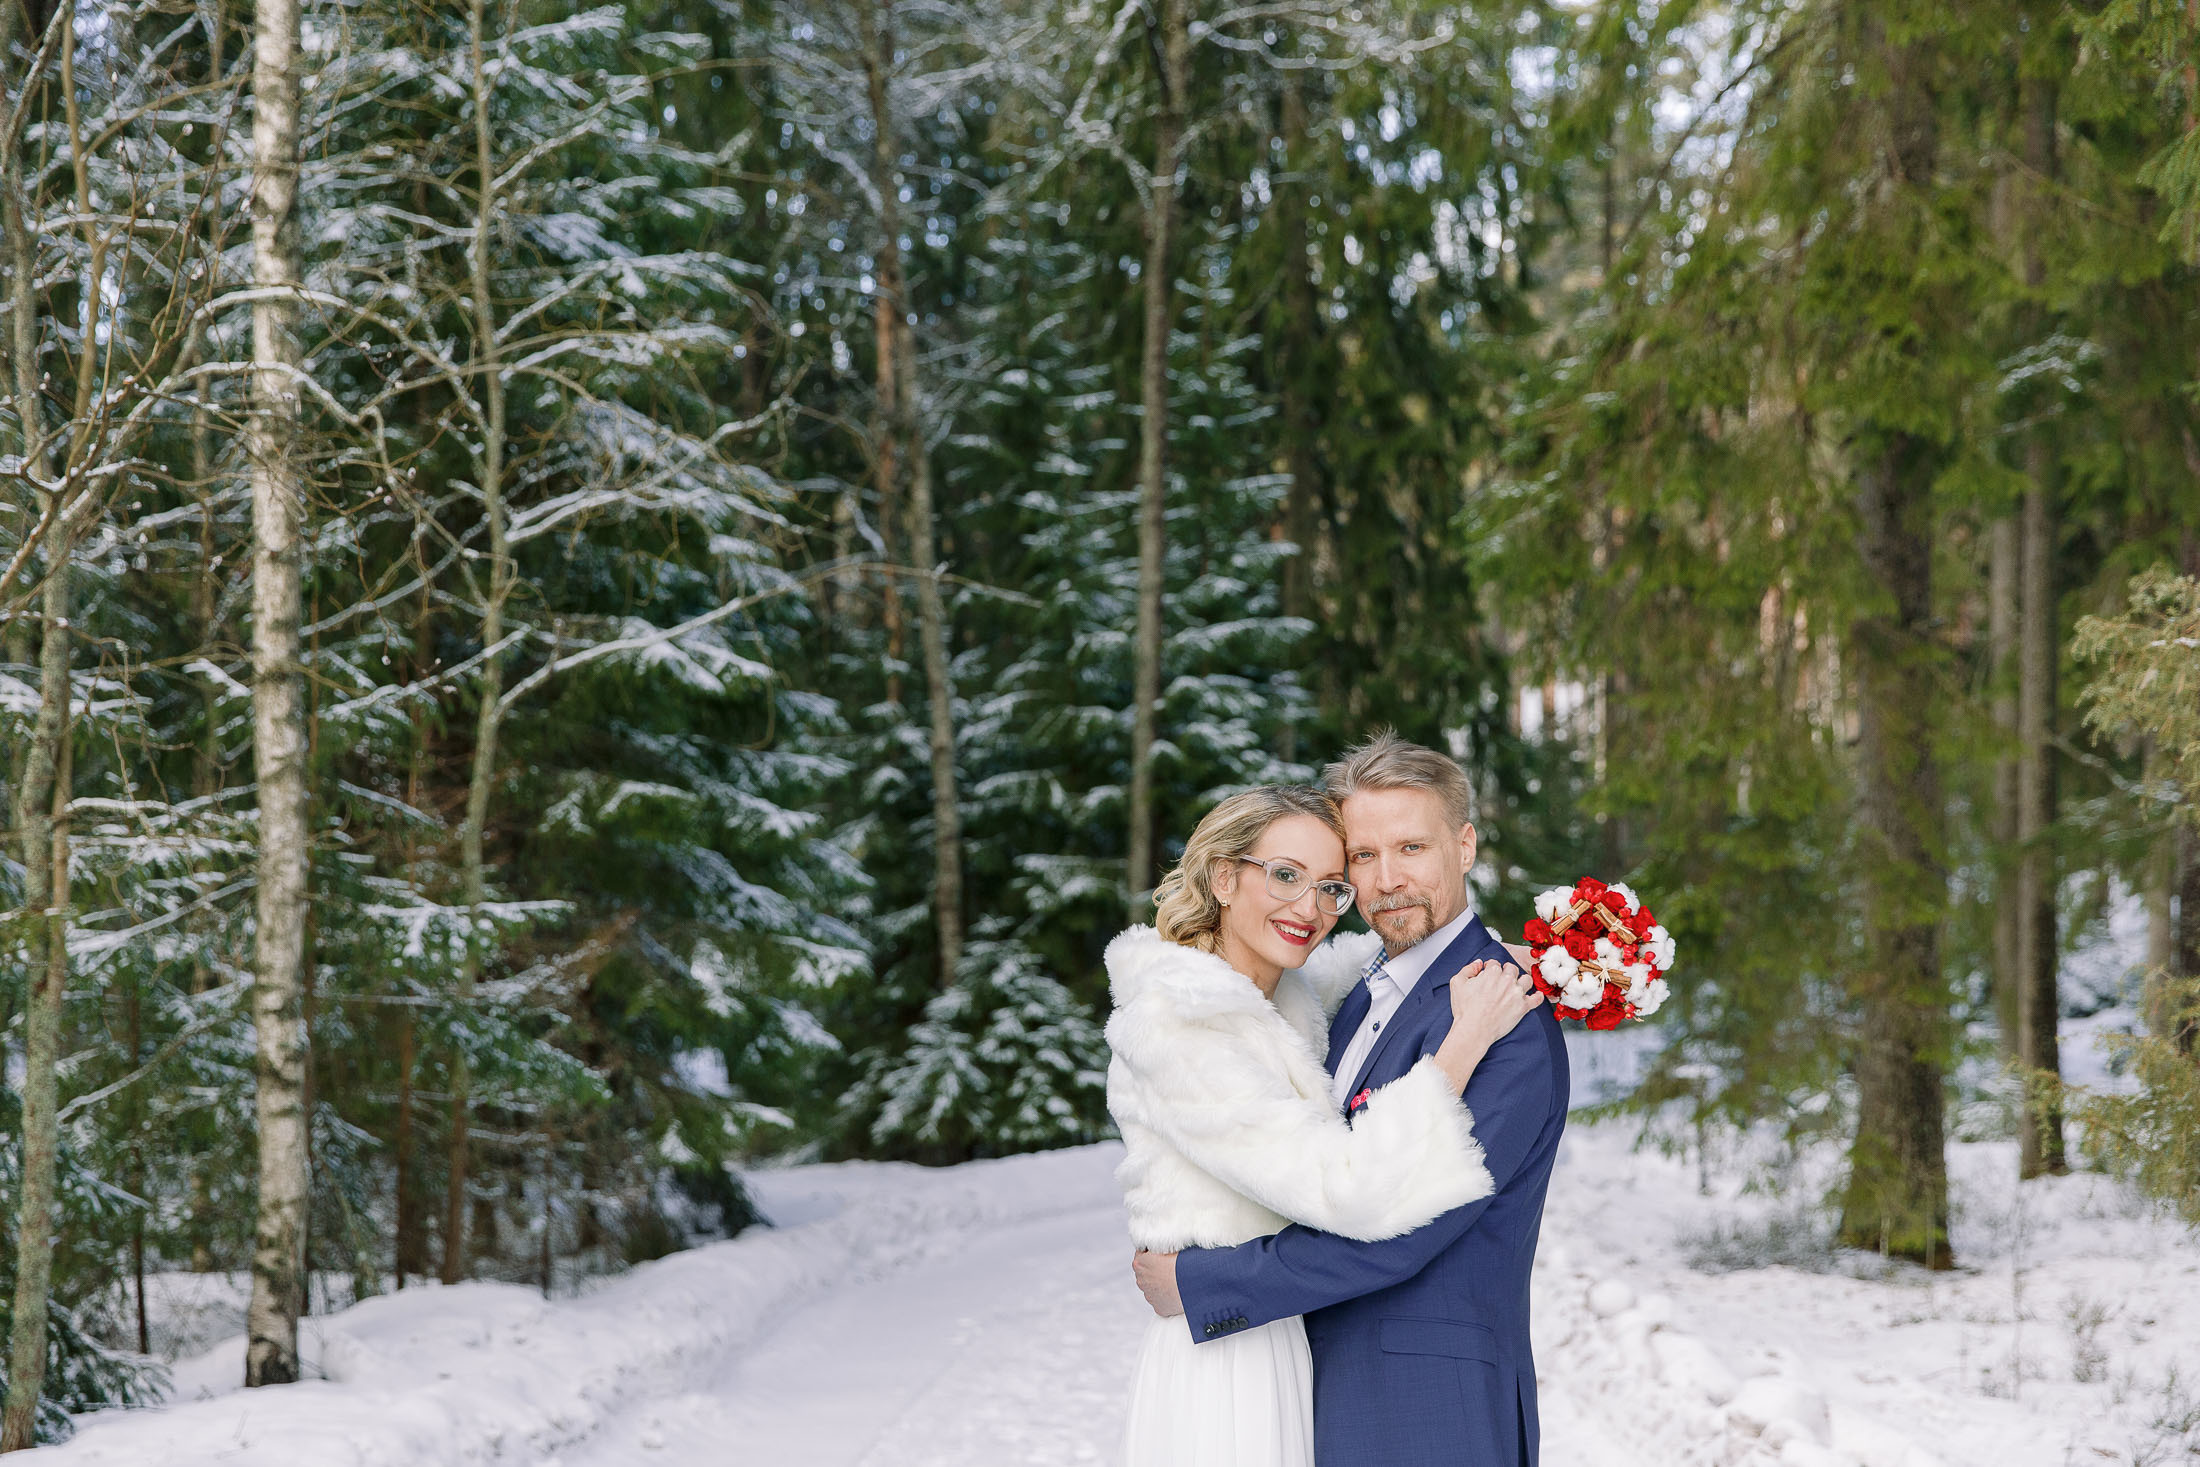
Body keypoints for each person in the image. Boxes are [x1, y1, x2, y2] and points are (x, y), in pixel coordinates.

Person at [1131, 733, 1572, 1467]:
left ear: (1464, 846)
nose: (1389, 879)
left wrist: (1203, 1283)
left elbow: (1403, 1229)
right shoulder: (1362, 989)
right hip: (1320, 1395)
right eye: (1364, 857)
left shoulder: (1502, 1019)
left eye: (1412, 848)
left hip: (1429, 1411)